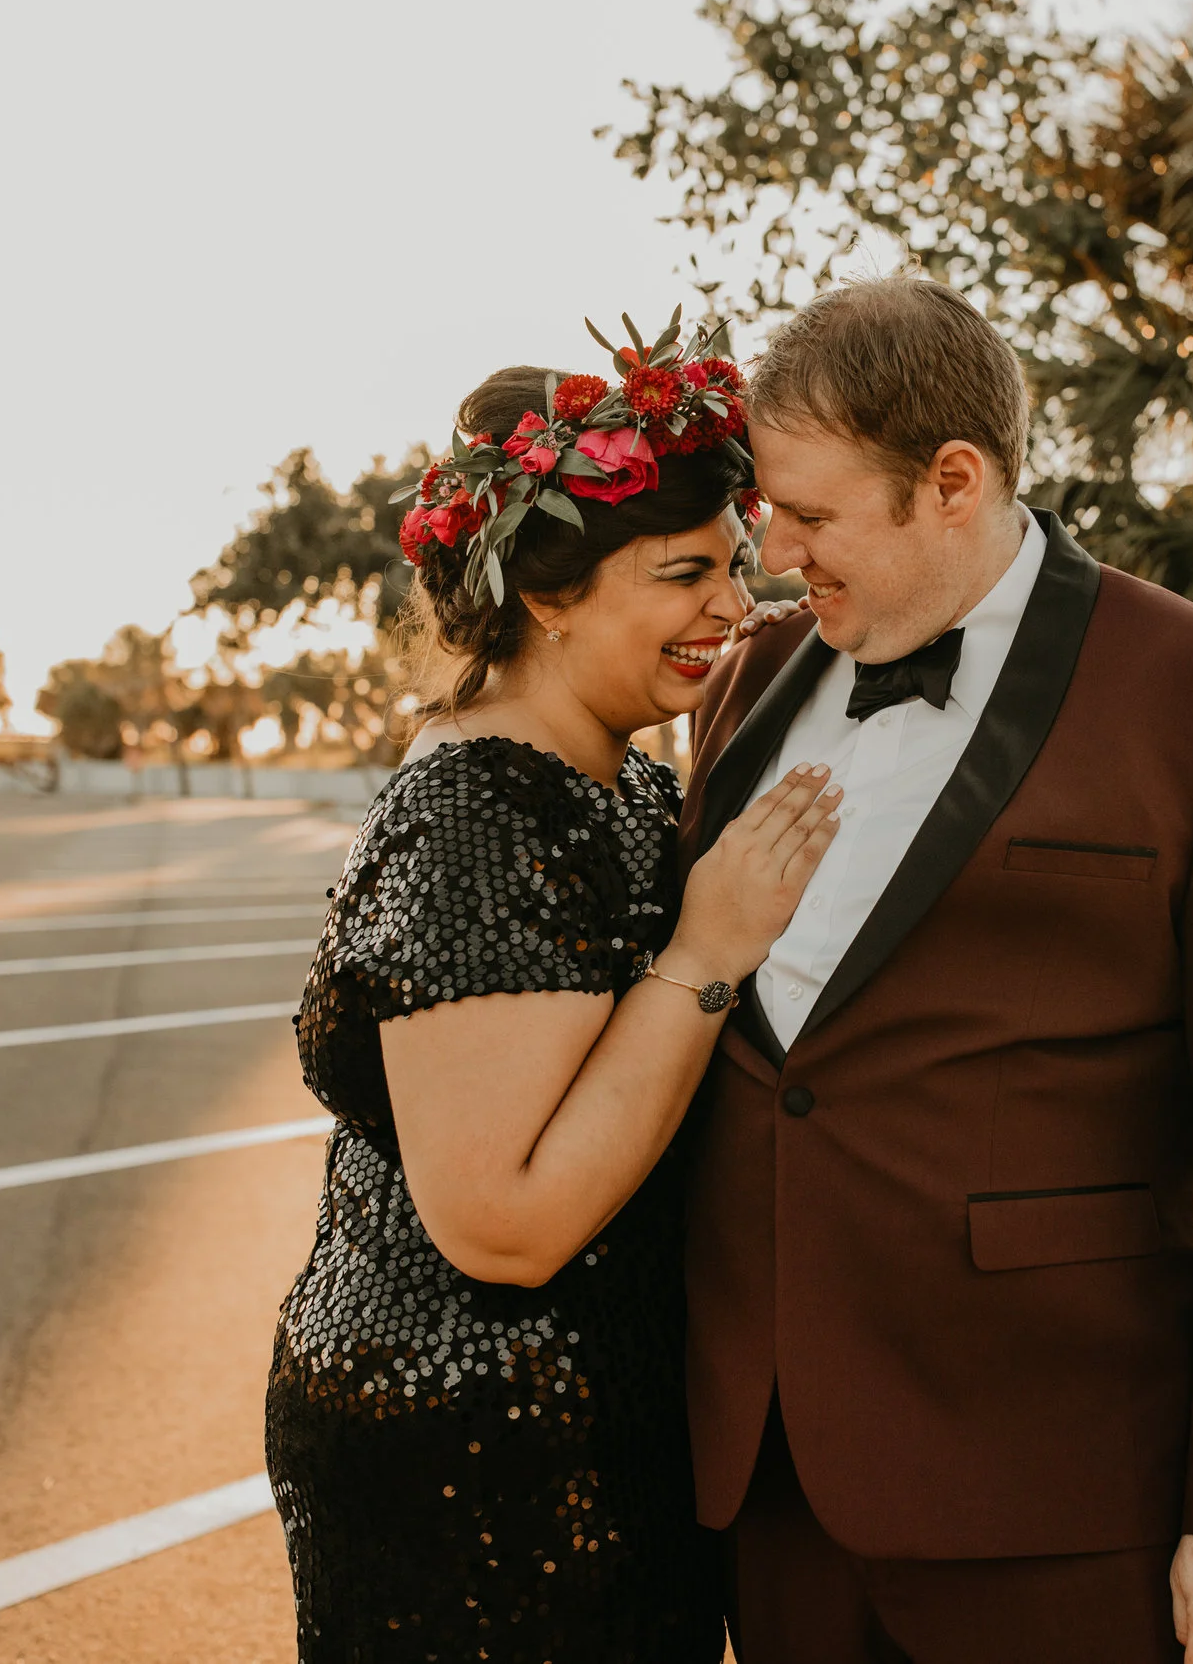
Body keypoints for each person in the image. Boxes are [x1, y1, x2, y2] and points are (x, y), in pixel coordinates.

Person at [680, 275, 1193, 1664]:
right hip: (776, 1481)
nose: (774, 551)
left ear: (952, 479)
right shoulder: (750, 680)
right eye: (768, 513)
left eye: (810, 517)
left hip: (1056, 1491)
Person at [265, 316, 838, 1664]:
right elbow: (506, 1222)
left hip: (605, 1425)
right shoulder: (477, 809)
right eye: (687, 571)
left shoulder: (627, 780)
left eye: (738, 566)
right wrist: (707, 952)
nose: (736, 605)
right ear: (548, 593)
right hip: (471, 1455)